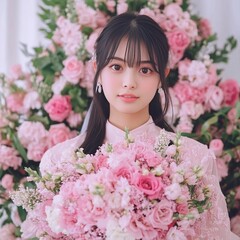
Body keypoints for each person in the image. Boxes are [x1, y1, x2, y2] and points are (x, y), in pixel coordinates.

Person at [40, 12, 239, 239]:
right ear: (97, 69)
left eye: (145, 70)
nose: (129, 82)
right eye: (116, 67)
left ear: (161, 76)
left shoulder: (194, 159)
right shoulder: (59, 162)